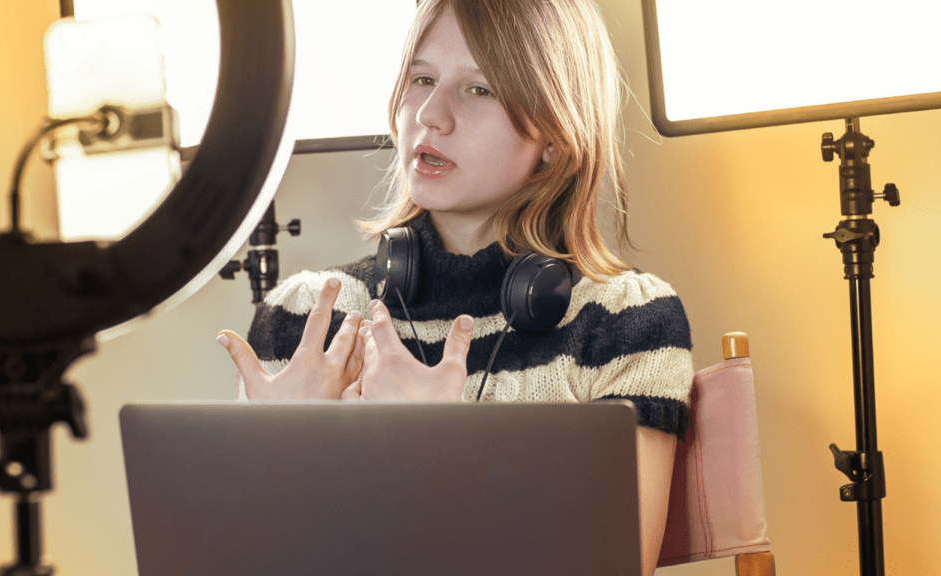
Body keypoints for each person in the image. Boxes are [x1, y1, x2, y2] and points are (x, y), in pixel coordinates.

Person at [216, 0, 693, 574]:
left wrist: (436, 451)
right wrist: (276, 461)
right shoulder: (306, 315)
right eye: (421, 79)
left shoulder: (626, 319)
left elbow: (612, 565)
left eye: (479, 89)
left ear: (555, 140)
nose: (430, 116)